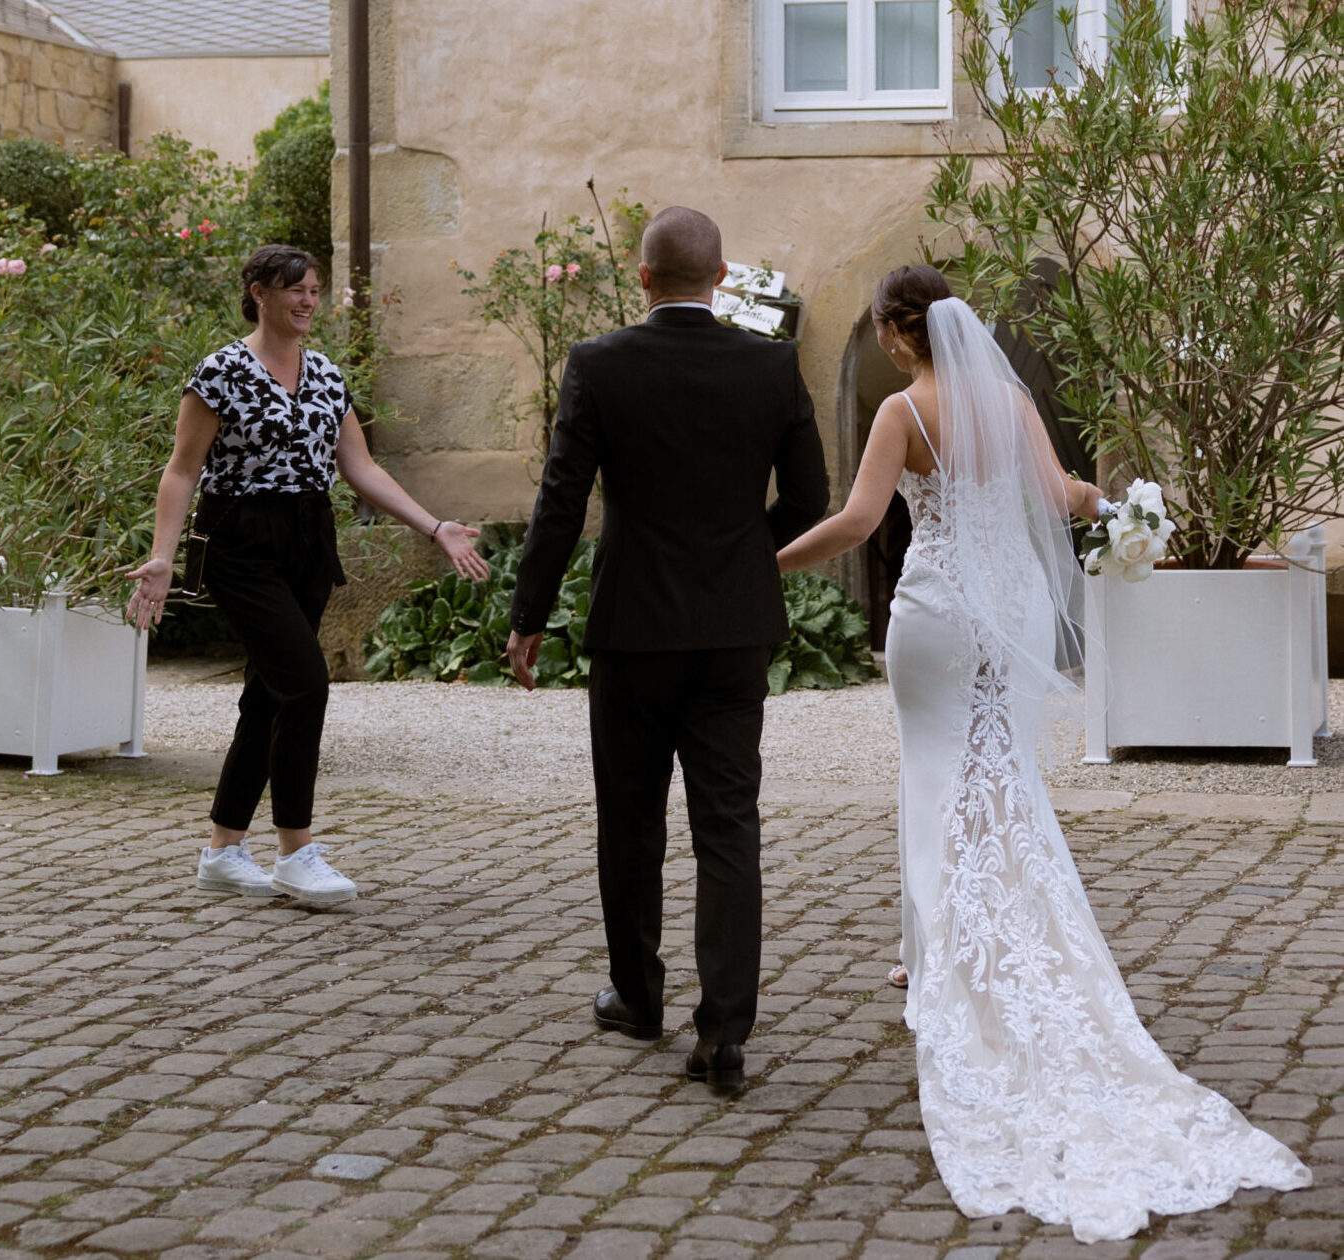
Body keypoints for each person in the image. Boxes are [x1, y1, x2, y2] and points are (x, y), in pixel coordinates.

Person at [777, 264, 1310, 1241]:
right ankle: (924, 949)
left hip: (938, 610)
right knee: (999, 777)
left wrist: (761, 561)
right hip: (1012, 606)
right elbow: (1060, 496)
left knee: (934, 775)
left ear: (899, 332)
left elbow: (858, 523)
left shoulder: (903, 409)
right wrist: (1119, 505)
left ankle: (935, 954)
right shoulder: (1009, 397)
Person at [506, 207, 829, 1088]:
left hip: (634, 628)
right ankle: (724, 1030)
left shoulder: (600, 365)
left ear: (641, 278)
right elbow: (810, 495)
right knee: (729, 825)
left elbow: (561, 501)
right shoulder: (770, 364)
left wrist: (528, 613)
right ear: (721, 277)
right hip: (733, 632)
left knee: (631, 817)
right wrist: (740, 554)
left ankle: (637, 997)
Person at [127, 244, 488, 907]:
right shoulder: (220, 372)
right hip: (240, 540)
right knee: (306, 686)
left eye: (315, 290)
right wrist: (162, 555)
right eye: (294, 289)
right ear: (259, 292)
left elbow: (361, 468)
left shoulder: (324, 374)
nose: (306, 300)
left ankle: (222, 850)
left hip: (307, 540)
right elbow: (181, 469)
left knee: (268, 696)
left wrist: (434, 525)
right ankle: (296, 851)